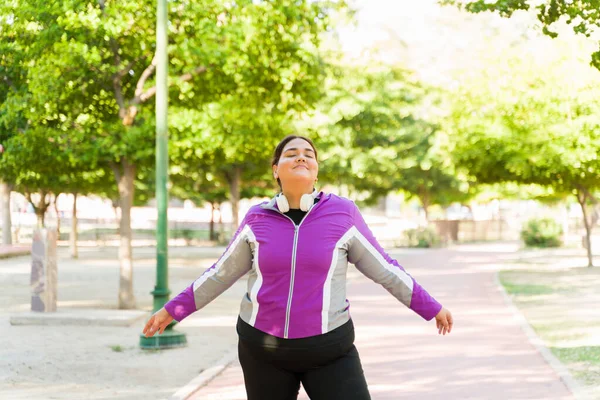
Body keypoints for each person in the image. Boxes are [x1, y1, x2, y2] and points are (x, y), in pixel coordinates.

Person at [143, 135, 453, 400]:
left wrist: (431, 307)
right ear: (276, 170)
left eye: (309, 154)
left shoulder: (343, 214)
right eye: (291, 154)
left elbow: (385, 268)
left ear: (316, 171)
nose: (301, 157)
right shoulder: (257, 218)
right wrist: (173, 310)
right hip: (262, 350)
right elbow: (220, 273)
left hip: (330, 349)